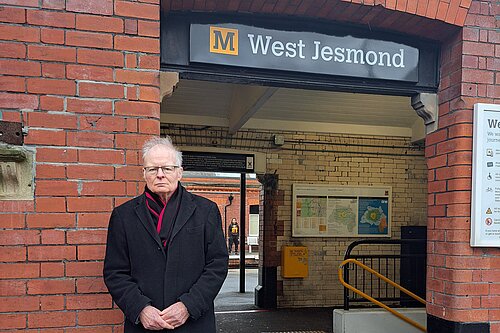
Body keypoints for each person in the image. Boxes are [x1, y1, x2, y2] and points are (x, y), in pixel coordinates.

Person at [103, 136, 228, 333]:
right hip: (144, 326)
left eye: (167, 168)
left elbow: (217, 265)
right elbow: (115, 272)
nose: (160, 174)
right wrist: (141, 309)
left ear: (179, 172)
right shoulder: (123, 216)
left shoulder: (206, 211)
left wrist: (187, 306)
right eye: (153, 169)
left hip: (194, 324)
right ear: (144, 173)